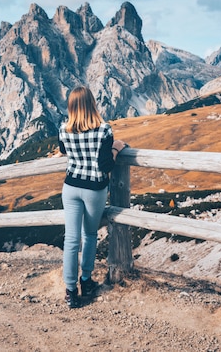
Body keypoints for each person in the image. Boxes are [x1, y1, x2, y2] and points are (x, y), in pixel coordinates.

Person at [58, 85, 127, 308]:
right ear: (92, 105)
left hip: (70, 187)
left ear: (71, 107)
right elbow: (106, 164)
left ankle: (70, 291)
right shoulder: (104, 130)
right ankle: (86, 281)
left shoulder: (63, 129)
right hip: (94, 189)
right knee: (89, 235)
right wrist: (116, 148)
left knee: (70, 239)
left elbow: (64, 150)